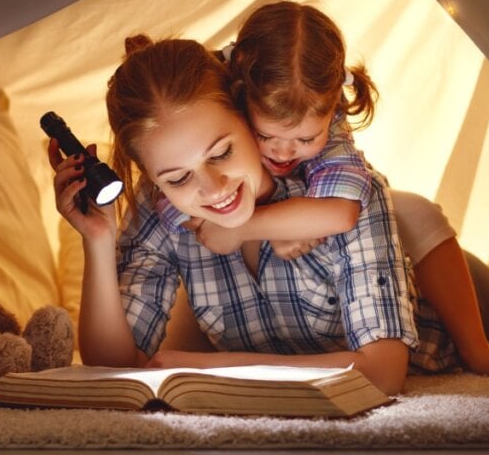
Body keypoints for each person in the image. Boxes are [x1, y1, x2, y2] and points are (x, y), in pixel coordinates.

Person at [49, 35, 458, 396]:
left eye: (222, 152)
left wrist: (204, 366)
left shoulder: (342, 190)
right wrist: (98, 240)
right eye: (177, 178)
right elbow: (111, 368)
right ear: (155, 181)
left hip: (446, 307)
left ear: (246, 113)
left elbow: (384, 374)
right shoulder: (161, 212)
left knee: (416, 214)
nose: (213, 189)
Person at [169, 1, 489, 376]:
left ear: (335, 112)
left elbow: (342, 212)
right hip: (309, 306)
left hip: (448, 290)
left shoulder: (332, 138)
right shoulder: (214, 126)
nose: (283, 151)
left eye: (306, 137)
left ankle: (479, 348)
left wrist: (250, 227)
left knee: (407, 208)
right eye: (266, 135)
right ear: (240, 95)